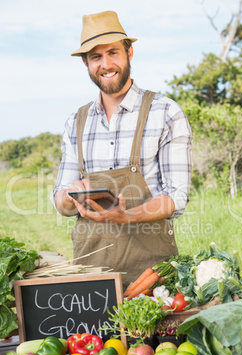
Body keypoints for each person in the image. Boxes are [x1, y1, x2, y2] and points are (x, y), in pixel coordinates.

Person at [51, 11, 193, 290]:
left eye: (113, 52)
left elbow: (176, 196)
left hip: (151, 274)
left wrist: (127, 216)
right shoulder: (75, 122)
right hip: (91, 276)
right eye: (96, 57)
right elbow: (60, 201)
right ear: (86, 63)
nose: (106, 64)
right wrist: (70, 196)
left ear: (129, 52)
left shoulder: (165, 112)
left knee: (156, 335)